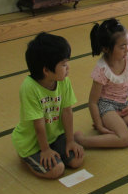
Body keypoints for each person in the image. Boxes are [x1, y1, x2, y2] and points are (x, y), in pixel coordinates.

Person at [11, 32, 85, 179]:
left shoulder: (64, 81)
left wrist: (70, 140)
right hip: (33, 143)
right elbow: (38, 124)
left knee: (77, 160)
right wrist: (45, 150)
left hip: (54, 136)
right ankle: (26, 156)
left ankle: (54, 148)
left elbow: (67, 112)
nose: (68, 67)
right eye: (63, 64)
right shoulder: (29, 88)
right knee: (57, 170)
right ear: (46, 70)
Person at [74, 19, 128, 148]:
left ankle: (115, 124)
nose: (127, 50)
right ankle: (83, 140)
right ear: (106, 49)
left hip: (122, 104)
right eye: (122, 47)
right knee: (126, 139)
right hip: (105, 106)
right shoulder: (102, 70)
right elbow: (93, 102)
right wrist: (99, 125)